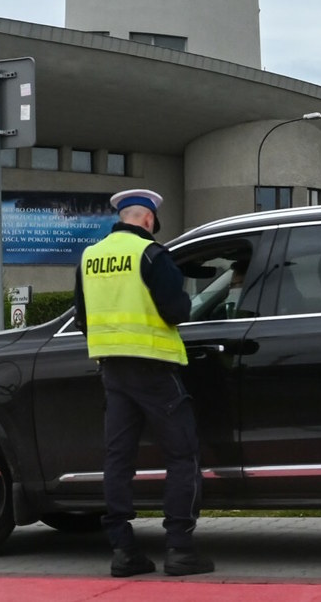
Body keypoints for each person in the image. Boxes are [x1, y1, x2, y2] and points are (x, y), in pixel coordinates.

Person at [73, 188, 214, 577]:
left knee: (118, 461)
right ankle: (180, 549)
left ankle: (124, 552)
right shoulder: (152, 254)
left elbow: (82, 318)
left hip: (112, 372)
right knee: (182, 456)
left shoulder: (90, 257)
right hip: (153, 368)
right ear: (149, 219)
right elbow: (177, 310)